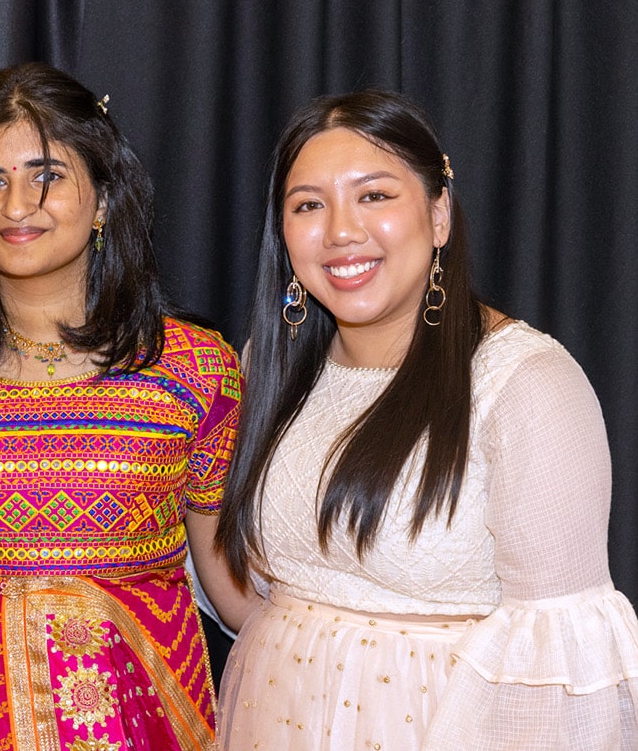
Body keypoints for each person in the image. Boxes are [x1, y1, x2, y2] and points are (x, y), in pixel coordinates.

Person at [0, 62, 252, 751]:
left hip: (144, 724)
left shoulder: (195, 368)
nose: (16, 206)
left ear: (101, 200)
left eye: (48, 175)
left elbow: (227, 581)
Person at [214, 89, 638, 749]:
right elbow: (262, 600)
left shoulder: (526, 385)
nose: (340, 231)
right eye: (308, 206)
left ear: (438, 214)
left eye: (374, 196)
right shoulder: (268, 368)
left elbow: (557, 673)